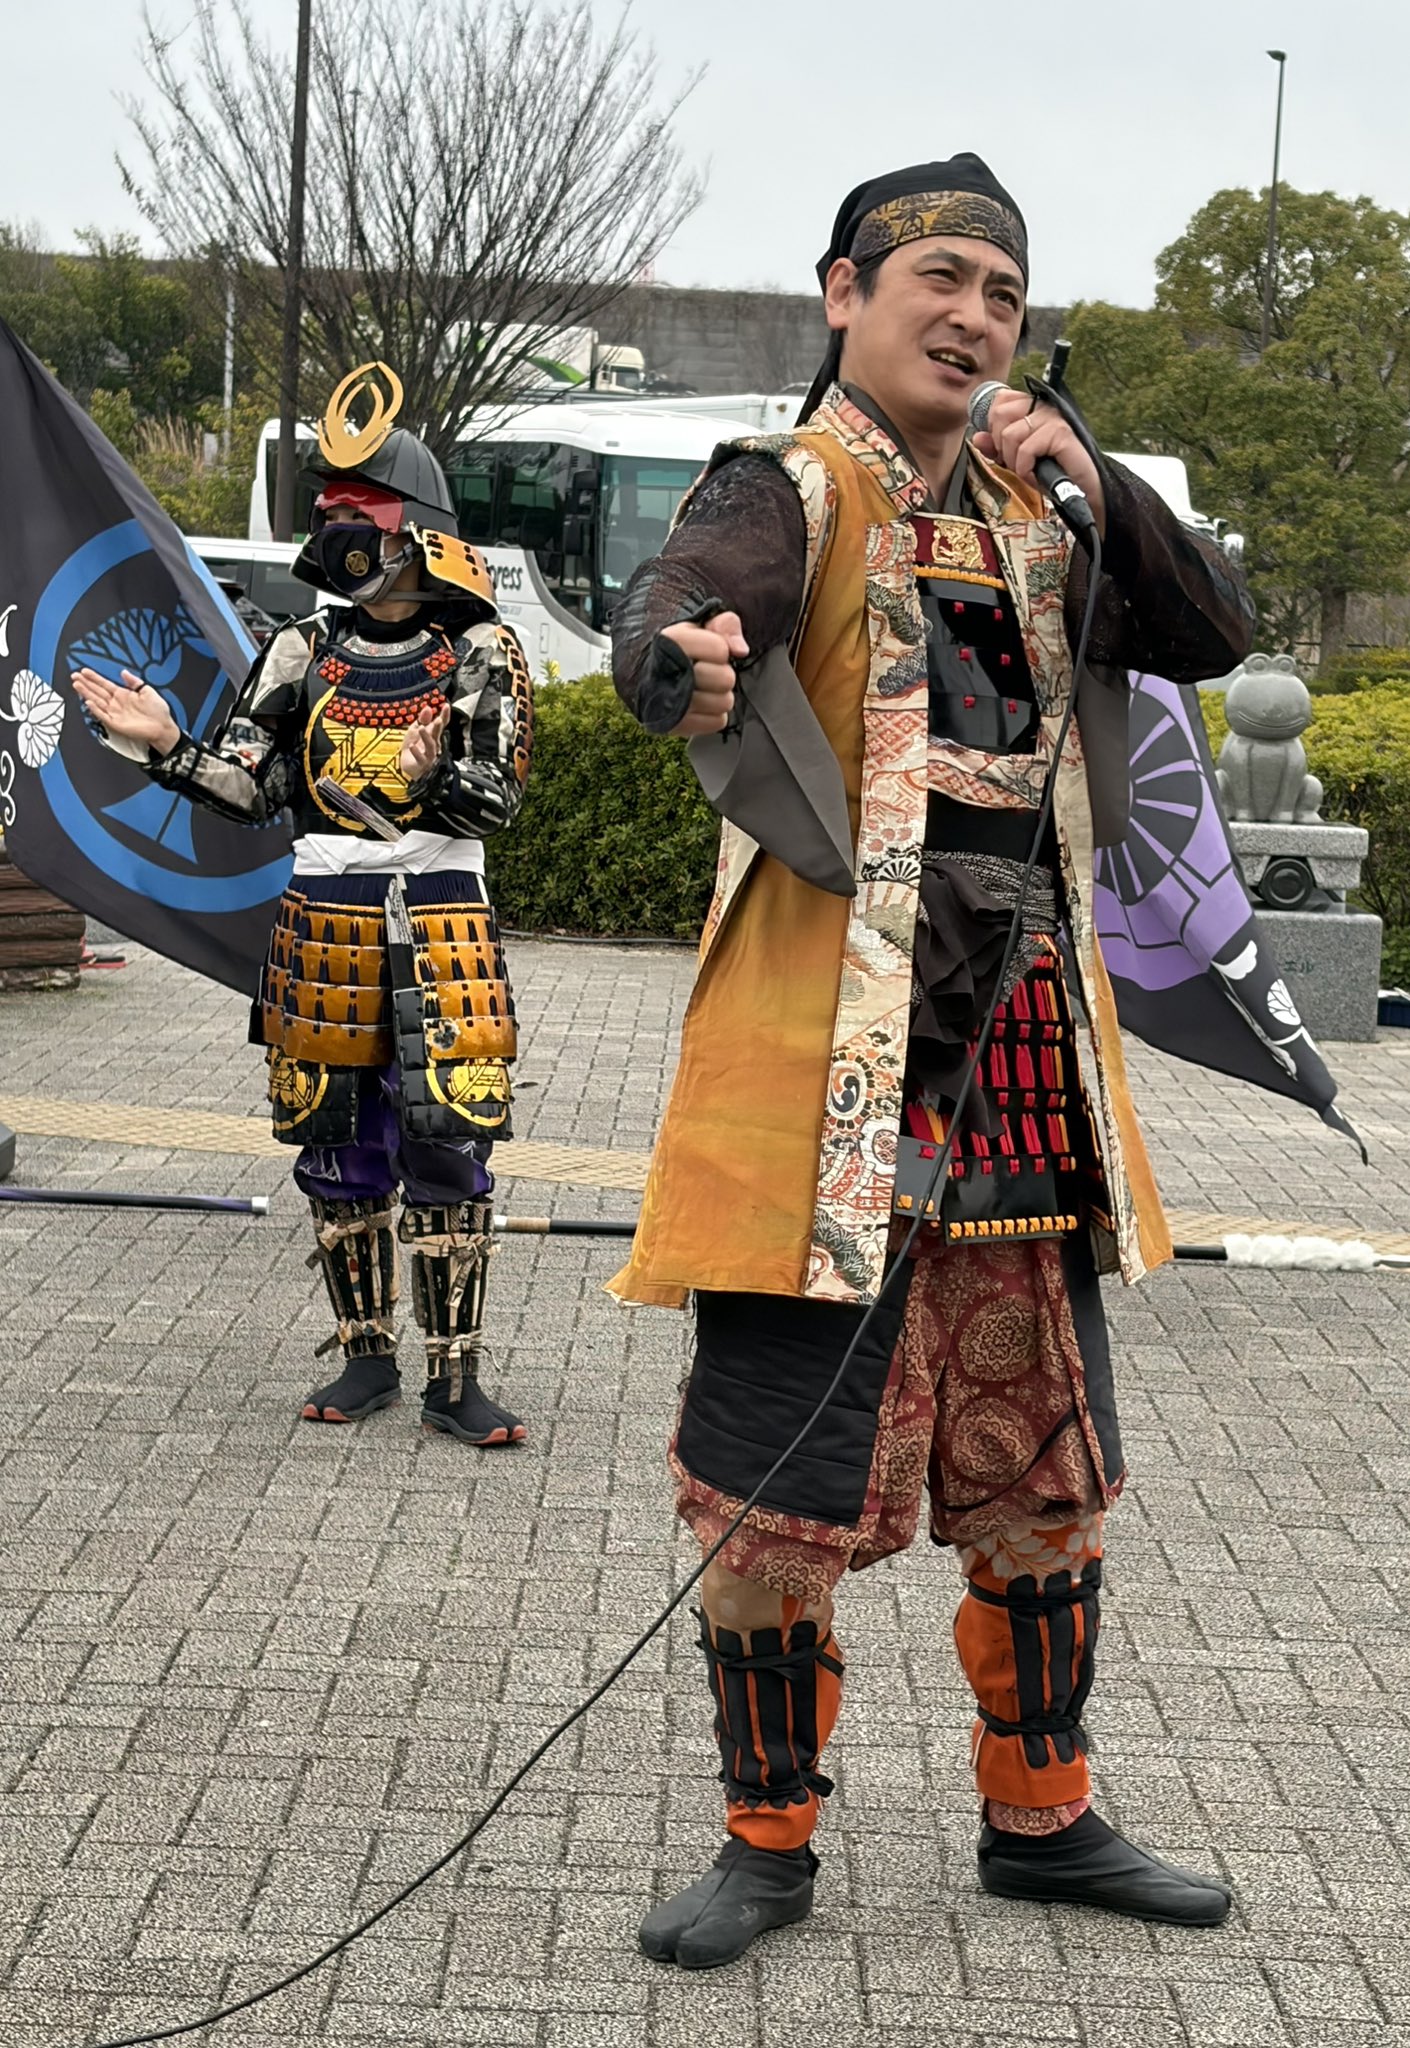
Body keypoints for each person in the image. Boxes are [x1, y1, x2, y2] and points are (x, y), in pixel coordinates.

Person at [610, 157, 1256, 1968]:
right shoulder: (790, 484)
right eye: (941, 279)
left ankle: (1043, 1817)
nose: (974, 317)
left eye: (1004, 292)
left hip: (1024, 1043)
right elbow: (687, 597)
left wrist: (1088, 468)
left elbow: (1209, 628)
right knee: (772, 1468)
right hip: (831, 1049)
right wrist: (681, 659)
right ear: (845, 293)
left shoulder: (1046, 511)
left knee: (1048, 1459)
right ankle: (764, 1841)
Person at [73, 363, 533, 1448]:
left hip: (440, 916)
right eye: (328, 514)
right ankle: (367, 1354)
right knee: (336, 1141)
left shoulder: (478, 650)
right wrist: (167, 747)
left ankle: (455, 1376)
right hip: (323, 918)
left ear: (414, 529)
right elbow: (255, 787)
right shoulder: (303, 649)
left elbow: (498, 798)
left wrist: (434, 773)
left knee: (447, 1135)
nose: (338, 533)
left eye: (357, 513)